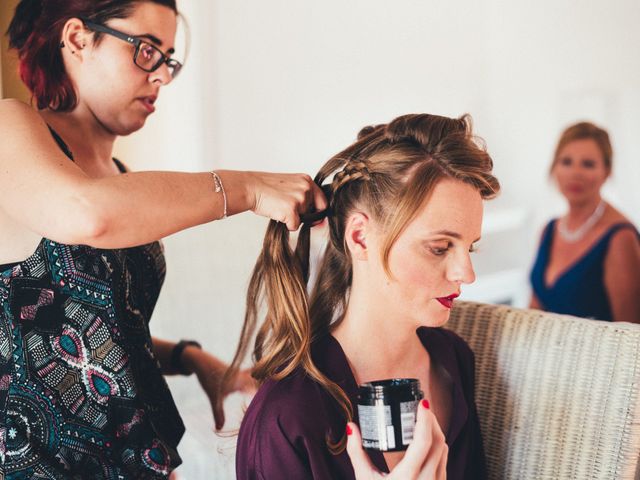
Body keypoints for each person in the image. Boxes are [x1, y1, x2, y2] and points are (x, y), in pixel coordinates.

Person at [0, 0, 325, 478]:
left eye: (167, 58)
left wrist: (194, 361)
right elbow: (87, 214)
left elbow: (88, 327)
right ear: (76, 39)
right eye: (146, 50)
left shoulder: (121, 180)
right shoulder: (9, 130)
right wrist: (249, 188)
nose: (163, 76)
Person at [226, 113, 500, 479]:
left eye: (471, 248)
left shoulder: (453, 360)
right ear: (360, 237)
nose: (466, 274)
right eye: (439, 248)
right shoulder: (287, 417)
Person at [529, 122, 640, 322]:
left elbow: (630, 333)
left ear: (606, 171)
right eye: (566, 161)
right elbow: (535, 309)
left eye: (588, 164)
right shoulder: (550, 229)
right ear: (554, 167)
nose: (575, 173)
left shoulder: (620, 237)